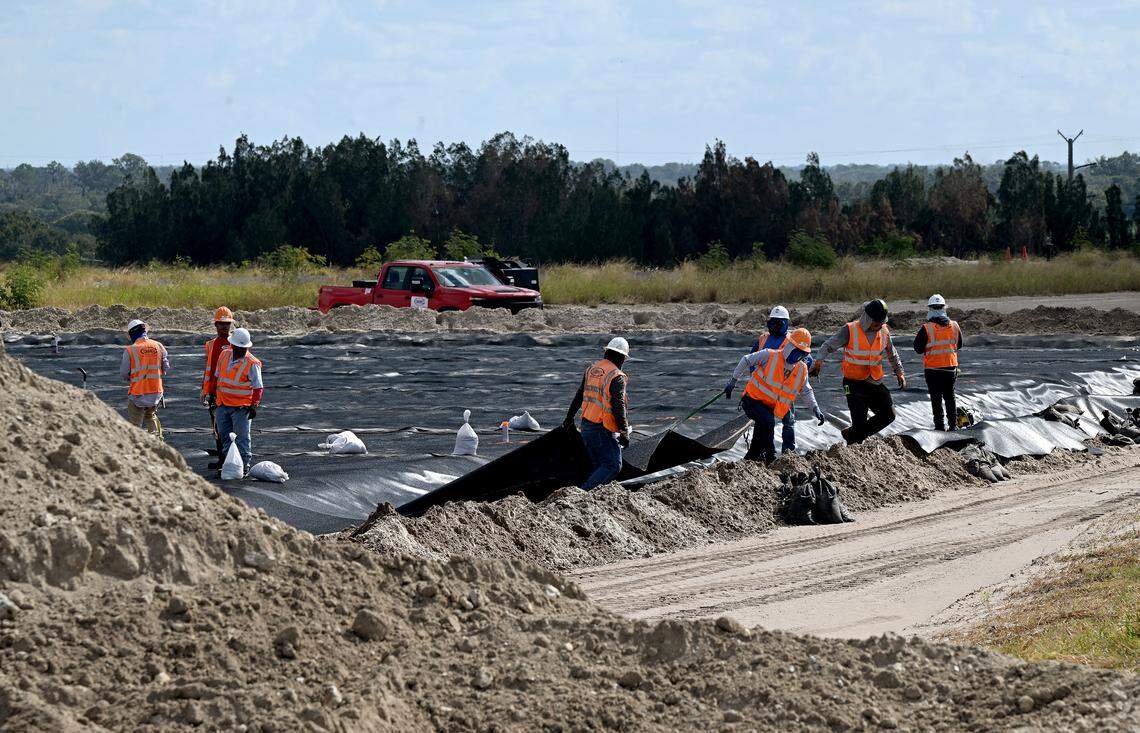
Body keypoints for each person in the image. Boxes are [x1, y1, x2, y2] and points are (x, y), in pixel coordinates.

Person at [810, 299, 906, 445]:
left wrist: (900, 372)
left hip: (874, 382)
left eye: (881, 322)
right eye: (876, 322)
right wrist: (818, 362)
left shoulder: (884, 331)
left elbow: (892, 354)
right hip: (854, 384)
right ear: (867, 318)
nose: (879, 325)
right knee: (859, 423)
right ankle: (854, 443)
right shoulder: (850, 330)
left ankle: (852, 433)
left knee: (888, 415)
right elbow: (827, 346)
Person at [726, 327, 823, 464]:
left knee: (759, 437)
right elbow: (746, 360)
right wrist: (733, 381)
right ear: (789, 345)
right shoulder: (770, 355)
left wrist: (815, 408)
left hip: (769, 407)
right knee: (768, 421)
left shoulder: (802, 369)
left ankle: (749, 461)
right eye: (796, 351)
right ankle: (771, 457)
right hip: (751, 400)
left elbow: (806, 391)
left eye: (802, 353)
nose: (797, 356)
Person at [564, 337, 631, 490]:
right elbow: (618, 405)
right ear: (621, 357)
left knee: (599, 465)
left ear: (606, 352)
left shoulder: (591, 370)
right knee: (612, 465)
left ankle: (591, 495)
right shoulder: (616, 375)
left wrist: (569, 418)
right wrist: (624, 430)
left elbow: (580, 394)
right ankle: (583, 493)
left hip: (587, 427)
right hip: (601, 429)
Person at [749, 305, 815, 455]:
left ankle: (788, 452)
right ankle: (764, 451)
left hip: (783, 390)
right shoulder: (763, 339)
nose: (775, 326)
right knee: (764, 422)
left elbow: (807, 360)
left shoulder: (793, 340)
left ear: (786, 324)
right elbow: (751, 358)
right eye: (772, 323)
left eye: (778, 323)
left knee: (788, 420)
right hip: (764, 391)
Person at [211, 327, 263, 477]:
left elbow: (258, 387)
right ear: (232, 345)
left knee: (242, 438)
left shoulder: (252, 363)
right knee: (225, 437)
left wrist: (254, 405)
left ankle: (244, 464)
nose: (241, 350)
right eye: (239, 347)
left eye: (244, 348)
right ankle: (230, 464)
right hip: (222, 405)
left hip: (241, 408)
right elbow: (217, 377)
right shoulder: (224, 355)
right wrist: (213, 396)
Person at [913, 294, 963, 431]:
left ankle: (939, 427)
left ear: (930, 309)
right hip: (950, 368)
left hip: (933, 369)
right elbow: (959, 345)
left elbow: (917, 348)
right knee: (949, 397)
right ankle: (953, 426)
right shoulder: (955, 326)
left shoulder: (926, 328)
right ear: (944, 308)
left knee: (936, 398)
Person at [119, 319, 169, 436]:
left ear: (131, 334)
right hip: (155, 392)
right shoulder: (158, 346)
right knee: (151, 416)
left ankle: (136, 447)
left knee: (135, 425)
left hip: (138, 393)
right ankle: (157, 443)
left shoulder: (130, 350)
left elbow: (124, 373)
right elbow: (165, 366)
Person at [201, 306, 236, 468]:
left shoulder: (237, 343)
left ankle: (234, 460)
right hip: (216, 394)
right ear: (215, 325)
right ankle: (223, 459)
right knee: (217, 429)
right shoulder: (210, 345)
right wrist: (205, 390)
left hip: (232, 395)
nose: (224, 327)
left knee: (233, 429)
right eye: (221, 324)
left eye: (227, 324)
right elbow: (208, 369)